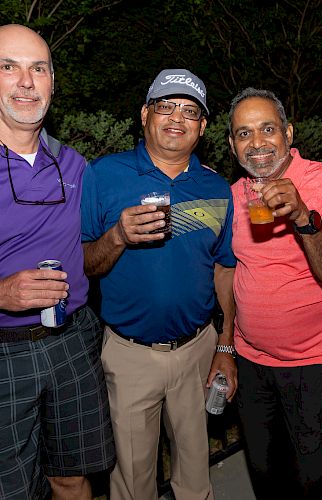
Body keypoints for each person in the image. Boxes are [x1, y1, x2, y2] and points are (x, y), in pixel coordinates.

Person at [81, 68, 237, 500]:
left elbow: (225, 269)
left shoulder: (216, 186)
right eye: (165, 106)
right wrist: (116, 236)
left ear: (203, 127)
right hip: (130, 355)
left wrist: (225, 344)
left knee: (195, 477)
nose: (176, 118)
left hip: (197, 350)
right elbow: (81, 264)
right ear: (145, 114)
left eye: (189, 111)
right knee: (132, 481)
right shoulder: (104, 175)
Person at [0, 24, 115, 500]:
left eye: (38, 69)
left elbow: (119, 212)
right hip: (4, 351)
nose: (26, 82)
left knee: (72, 477)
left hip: (73, 342)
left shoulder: (75, 165)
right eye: (8, 66)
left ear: (53, 82)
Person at [228, 87, 322, 499]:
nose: (257, 142)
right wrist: (226, 347)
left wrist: (302, 217)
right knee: (266, 475)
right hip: (251, 363)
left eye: (267, 129)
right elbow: (229, 273)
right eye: (244, 134)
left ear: (288, 133)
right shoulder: (234, 195)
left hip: (313, 364)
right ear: (231, 145)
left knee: (315, 479)